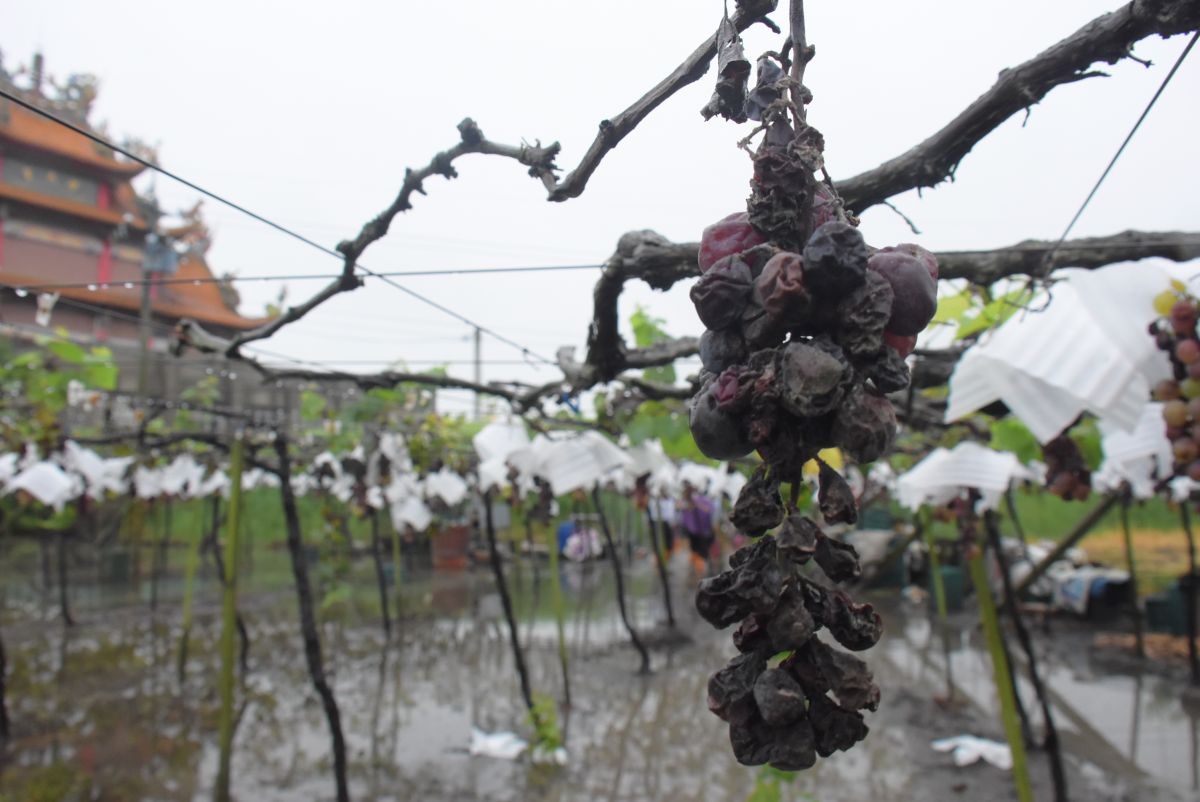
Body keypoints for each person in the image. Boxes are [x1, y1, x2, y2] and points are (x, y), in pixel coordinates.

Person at [679, 481, 715, 575]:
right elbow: (683, 510)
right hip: (693, 531)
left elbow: (709, 510)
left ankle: (701, 570)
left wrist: (697, 504)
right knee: (695, 549)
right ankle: (697, 570)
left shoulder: (703, 499)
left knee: (703, 550)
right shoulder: (687, 500)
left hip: (704, 530)